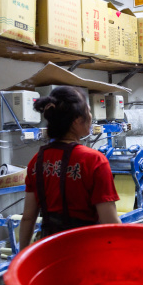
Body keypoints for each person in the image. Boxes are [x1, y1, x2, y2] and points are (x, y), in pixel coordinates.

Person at [19, 86, 121, 250]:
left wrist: (21, 258)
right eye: (88, 111)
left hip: (50, 252)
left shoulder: (36, 161)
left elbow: (28, 218)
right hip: (85, 253)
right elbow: (110, 222)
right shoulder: (94, 161)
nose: (91, 116)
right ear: (76, 120)